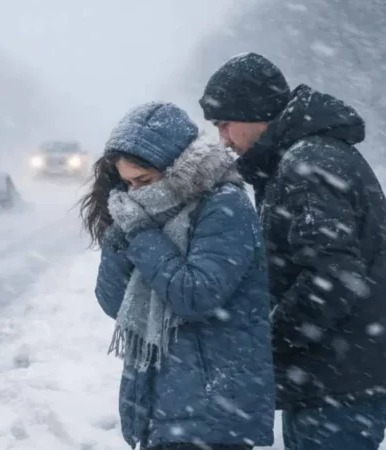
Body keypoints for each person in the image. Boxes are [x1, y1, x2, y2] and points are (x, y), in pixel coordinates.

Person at [200, 52, 386, 449]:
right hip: (341, 372)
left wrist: (270, 339)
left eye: (225, 124)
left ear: (254, 112)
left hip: (342, 377)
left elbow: (334, 278)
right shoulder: (300, 158)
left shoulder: (306, 164)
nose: (222, 138)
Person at [81, 102, 275, 450]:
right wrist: (120, 236)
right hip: (162, 399)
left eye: (145, 180)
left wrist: (141, 235)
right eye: (127, 184)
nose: (136, 193)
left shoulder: (224, 206)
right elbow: (113, 301)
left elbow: (195, 296)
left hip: (214, 405)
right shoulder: (140, 215)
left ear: (177, 168)